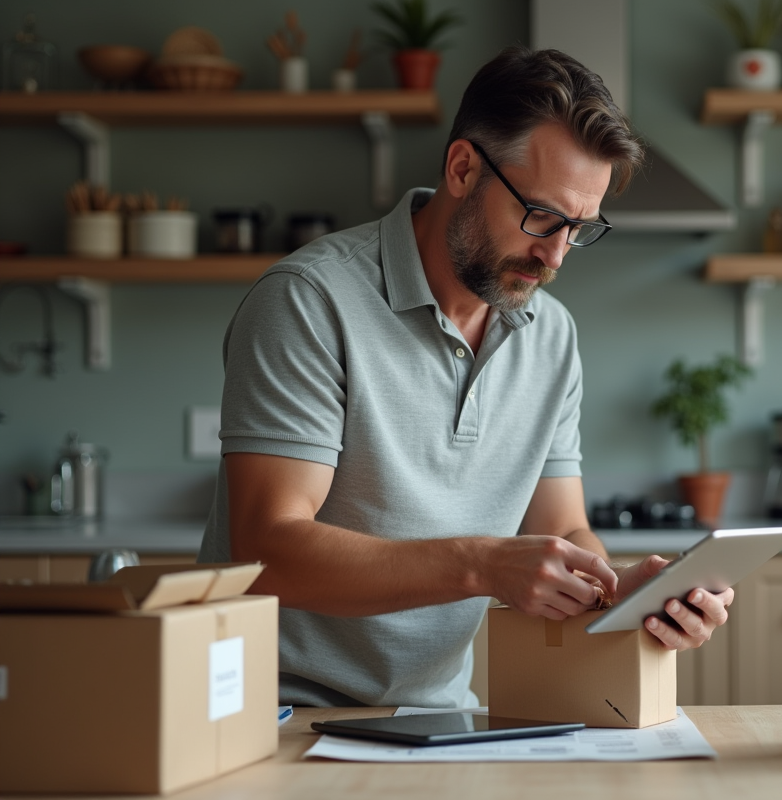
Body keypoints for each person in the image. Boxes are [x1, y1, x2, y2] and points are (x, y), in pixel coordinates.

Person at [197, 46, 734, 708]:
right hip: (272, 715)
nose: (555, 255)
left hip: (443, 717)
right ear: (462, 168)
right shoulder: (309, 302)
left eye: (579, 230)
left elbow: (563, 530)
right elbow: (265, 554)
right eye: (541, 217)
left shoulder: (551, 336)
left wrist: (622, 591)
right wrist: (484, 565)